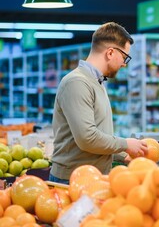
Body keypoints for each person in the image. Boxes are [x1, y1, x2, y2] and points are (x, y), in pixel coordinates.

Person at [49, 22, 148, 184]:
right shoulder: (77, 83)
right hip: (73, 179)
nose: (124, 64)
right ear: (110, 53)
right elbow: (87, 138)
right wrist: (125, 144)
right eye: (124, 57)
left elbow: (99, 134)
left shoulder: (98, 82)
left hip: (93, 177)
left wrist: (122, 155)